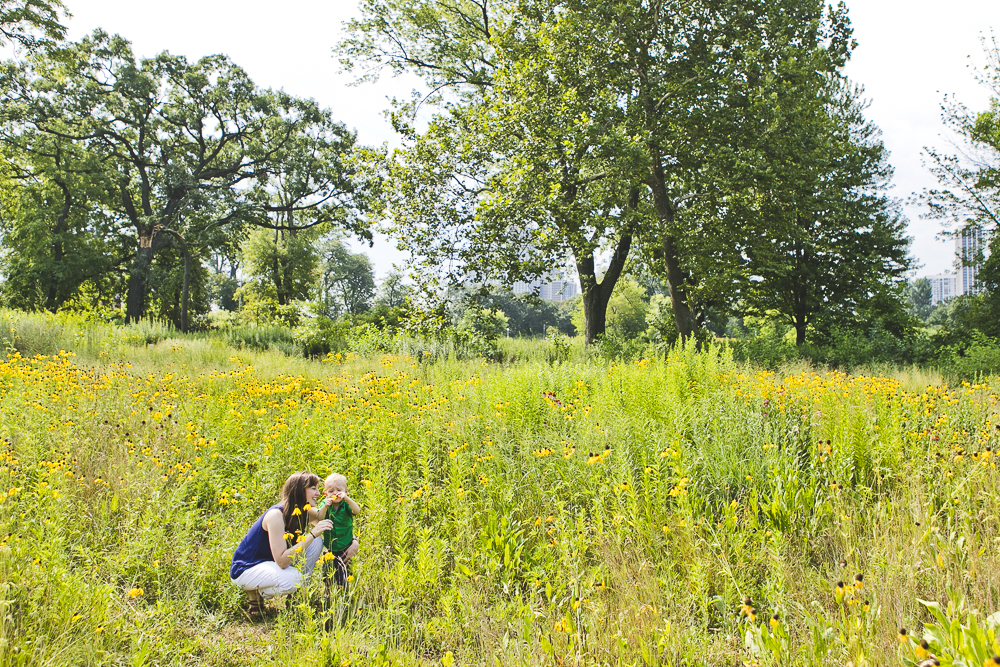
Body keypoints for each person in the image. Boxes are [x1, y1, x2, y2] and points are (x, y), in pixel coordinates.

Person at [230, 471, 332, 616]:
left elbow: (331, 524)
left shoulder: (304, 511)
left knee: (316, 542)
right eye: (313, 488)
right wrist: (312, 533)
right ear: (299, 490)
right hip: (247, 568)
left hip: (270, 566)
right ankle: (256, 593)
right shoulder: (276, 515)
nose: (318, 493)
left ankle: (295, 599)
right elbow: (282, 561)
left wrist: (352, 541)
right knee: (297, 578)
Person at [315, 473, 360, 587]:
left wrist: (347, 498)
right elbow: (319, 518)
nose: (335, 493)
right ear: (326, 494)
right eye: (331, 491)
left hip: (346, 546)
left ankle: (345, 594)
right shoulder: (325, 505)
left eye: (338, 490)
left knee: (345, 574)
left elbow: (357, 511)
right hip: (330, 547)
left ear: (346, 491)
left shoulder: (346, 505)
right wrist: (325, 506)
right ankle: (328, 593)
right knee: (328, 575)